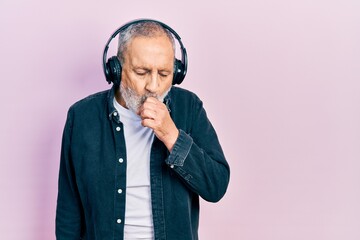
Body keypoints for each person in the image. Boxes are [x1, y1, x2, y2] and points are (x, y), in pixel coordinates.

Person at [56, 19, 230, 240]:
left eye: (164, 74)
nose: (154, 86)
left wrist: (171, 135)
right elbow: (69, 208)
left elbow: (216, 187)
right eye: (141, 72)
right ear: (116, 69)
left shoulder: (190, 107)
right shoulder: (82, 117)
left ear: (177, 73)